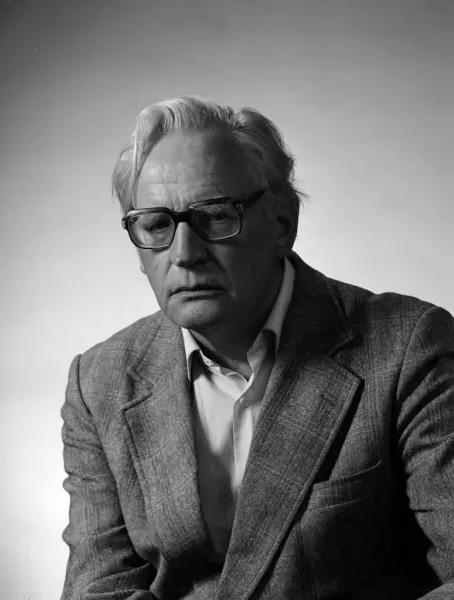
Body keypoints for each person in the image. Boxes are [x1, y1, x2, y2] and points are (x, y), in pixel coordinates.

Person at [60, 96, 454, 600]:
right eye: (156, 225)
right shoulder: (98, 382)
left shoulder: (409, 347)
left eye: (216, 216)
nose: (185, 254)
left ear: (283, 224)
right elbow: (99, 588)